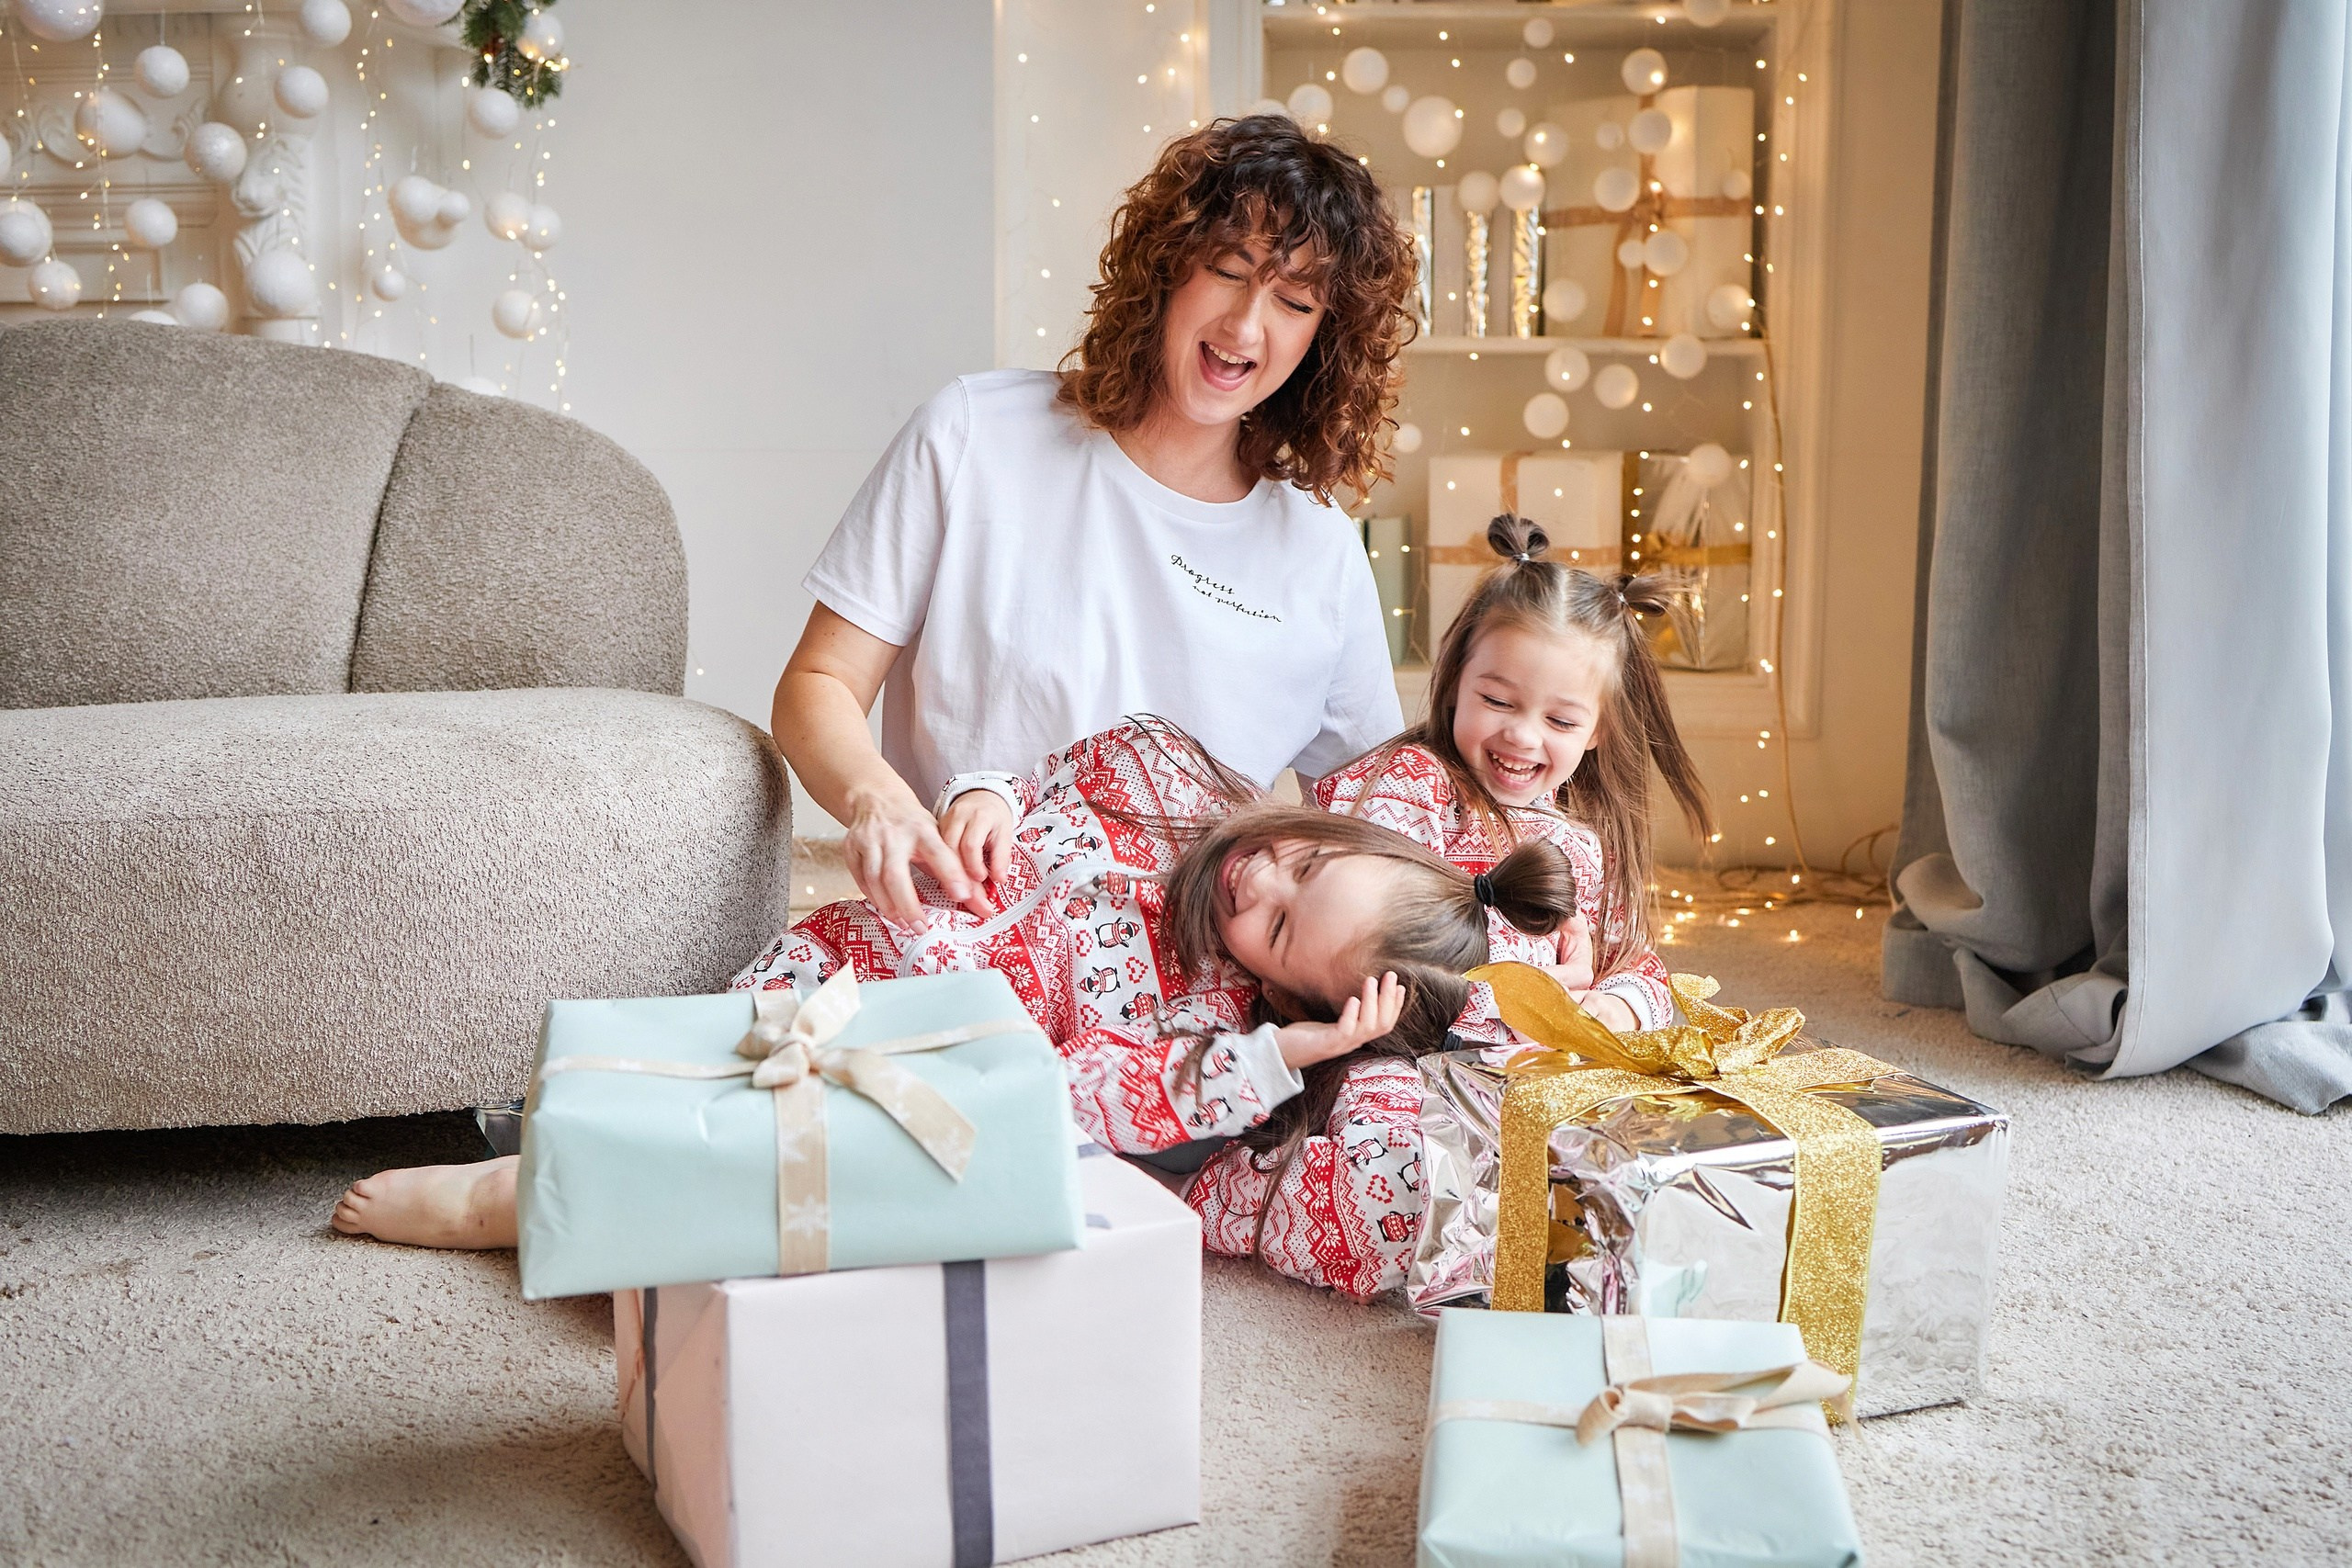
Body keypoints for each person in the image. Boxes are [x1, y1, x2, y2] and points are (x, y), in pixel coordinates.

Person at [330, 719, 1579, 1297]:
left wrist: (1283, 1053)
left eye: (1278, 926)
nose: (1258, 879)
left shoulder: (1211, 1036)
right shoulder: (1174, 779)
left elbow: (1073, 1109)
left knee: (812, 1166)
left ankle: (527, 1193)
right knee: (700, 1050)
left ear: (1282, 983)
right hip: (853, 964)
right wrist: (983, 792)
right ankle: (571, 1125)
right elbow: (1049, 765)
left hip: (905, 1083)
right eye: (1297, 856)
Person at [775, 114, 1417, 928]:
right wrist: (878, 801)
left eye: (1294, 301)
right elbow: (818, 682)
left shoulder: (1320, 552)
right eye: (1226, 269)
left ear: (1325, 339)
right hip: (959, 941)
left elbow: (1377, 835)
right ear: (1166, 267)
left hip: (1190, 987)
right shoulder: (978, 433)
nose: (1246, 326)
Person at [1310, 514, 1713, 1032]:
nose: (1522, 736)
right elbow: (1368, 955)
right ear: (1456, 682)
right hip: (1403, 1055)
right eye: (1498, 700)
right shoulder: (1406, 791)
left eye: (1561, 720)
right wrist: (1524, 994)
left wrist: (1613, 1007)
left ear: (1598, 731)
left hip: (1525, 1063)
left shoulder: (1580, 842)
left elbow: (1636, 963)